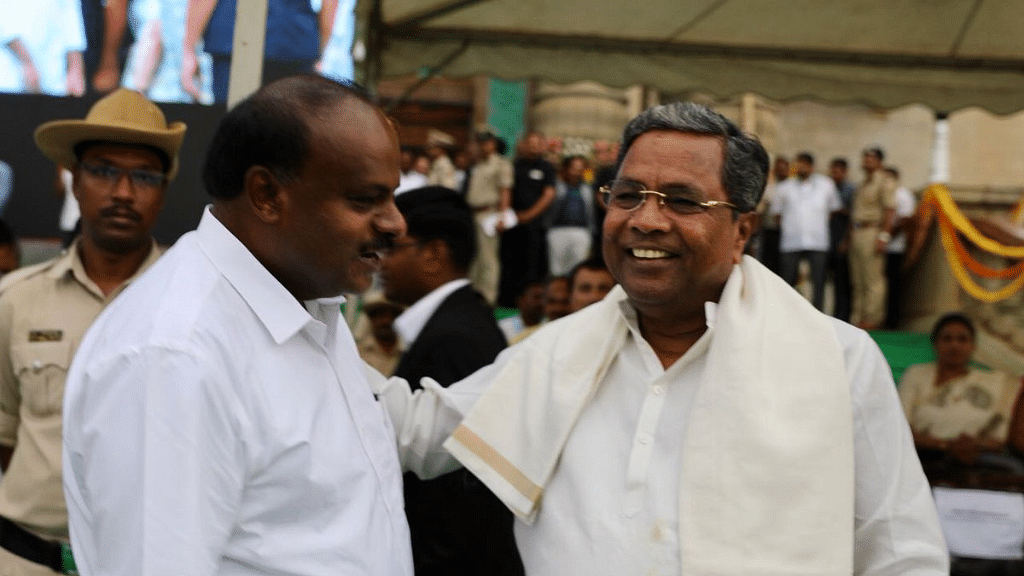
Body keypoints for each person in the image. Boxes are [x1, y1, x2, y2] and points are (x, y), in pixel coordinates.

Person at [376, 101, 948, 575]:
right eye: (627, 196)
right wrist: (304, 303)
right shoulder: (557, 353)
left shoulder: (839, 360)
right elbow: (415, 429)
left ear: (742, 230)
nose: (645, 220)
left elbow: (904, 553)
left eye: (681, 201)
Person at [62, 75, 454, 576]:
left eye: (392, 198)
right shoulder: (176, 357)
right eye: (364, 200)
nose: (396, 224)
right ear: (266, 194)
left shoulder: (303, 311)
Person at [0, 88, 182, 576]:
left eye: (144, 176)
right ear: (73, 182)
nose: (123, 192)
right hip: (23, 560)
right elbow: (5, 436)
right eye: (103, 171)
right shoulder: (16, 300)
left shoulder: (191, 306)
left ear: (164, 191)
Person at [378, 185, 522, 576]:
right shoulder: (457, 323)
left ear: (433, 254)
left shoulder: (454, 338)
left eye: (392, 247)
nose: (378, 260)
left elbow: (454, 494)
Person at [898, 313, 1021, 469]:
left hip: (979, 455)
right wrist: (945, 445)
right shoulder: (916, 374)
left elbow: (1000, 436)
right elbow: (901, 428)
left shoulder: (993, 382)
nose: (954, 345)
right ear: (935, 343)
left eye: (962, 339)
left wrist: (972, 445)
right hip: (924, 455)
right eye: (947, 339)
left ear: (973, 346)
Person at [181, 0, 339, 103]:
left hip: (235, 39)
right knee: (290, 137)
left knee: (235, 135)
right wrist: (319, 47)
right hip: (292, 39)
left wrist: (189, 48)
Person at [770, 151, 841, 310]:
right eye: (798, 164)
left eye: (804, 164)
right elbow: (777, 214)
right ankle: (787, 312)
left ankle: (818, 314)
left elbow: (834, 209)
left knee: (818, 280)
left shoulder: (826, 184)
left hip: (818, 240)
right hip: (791, 240)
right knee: (787, 279)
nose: (801, 167)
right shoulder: (784, 187)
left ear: (811, 166)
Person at [497, 131, 556, 308]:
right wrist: (509, 215)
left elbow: (548, 194)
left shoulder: (546, 167)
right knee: (509, 263)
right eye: (530, 143)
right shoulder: (513, 165)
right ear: (523, 144)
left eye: (537, 143)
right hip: (512, 224)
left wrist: (529, 215)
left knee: (533, 266)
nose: (533, 146)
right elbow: (505, 191)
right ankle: (508, 302)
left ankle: (532, 303)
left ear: (543, 146)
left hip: (535, 225)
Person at [849, 146, 897, 330]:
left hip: (873, 231)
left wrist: (884, 237)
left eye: (870, 158)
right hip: (857, 231)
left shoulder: (885, 181)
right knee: (858, 278)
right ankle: (858, 317)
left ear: (879, 162)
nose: (866, 162)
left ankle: (872, 319)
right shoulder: (862, 184)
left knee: (873, 279)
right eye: (865, 158)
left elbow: (890, 211)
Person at [465, 129, 513, 305]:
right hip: (472, 213)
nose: (483, 146)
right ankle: (473, 296)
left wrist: (502, 217)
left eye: (486, 142)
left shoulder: (501, 164)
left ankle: (488, 298)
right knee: (474, 258)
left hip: (489, 213)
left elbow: (505, 191)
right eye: (480, 143)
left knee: (488, 259)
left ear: (493, 144)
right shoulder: (477, 164)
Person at [545, 155, 597, 277]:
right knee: (556, 269)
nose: (577, 171)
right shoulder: (557, 186)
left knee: (578, 268)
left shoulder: (587, 188)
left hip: (581, 231)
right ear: (566, 168)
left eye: (580, 168)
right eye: (573, 167)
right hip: (558, 229)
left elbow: (591, 211)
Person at [883, 166, 916, 330]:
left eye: (889, 177)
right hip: (880, 247)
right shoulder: (882, 193)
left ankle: (892, 323)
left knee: (893, 286)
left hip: (895, 248)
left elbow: (904, 221)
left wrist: (886, 237)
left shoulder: (903, 195)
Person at [828, 157, 855, 321]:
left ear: (844, 172)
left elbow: (853, 215)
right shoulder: (828, 187)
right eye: (833, 171)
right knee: (834, 281)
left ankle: (844, 315)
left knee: (844, 280)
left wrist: (838, 211)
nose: (834, 174)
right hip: (829, 239)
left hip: (843, 238)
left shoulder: (850, 190)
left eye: (838, 171)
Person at [357, 293, 404, 377]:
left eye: (392, 315)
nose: (386, 321)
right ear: (372, 319)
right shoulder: (357, 352)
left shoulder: (407, 354)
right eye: (380, 315)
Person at [500, 278, 546, 344]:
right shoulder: (504, 327)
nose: (541, 302)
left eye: (544, 298)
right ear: (521, 300)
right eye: (536, 297)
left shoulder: (549, 326)